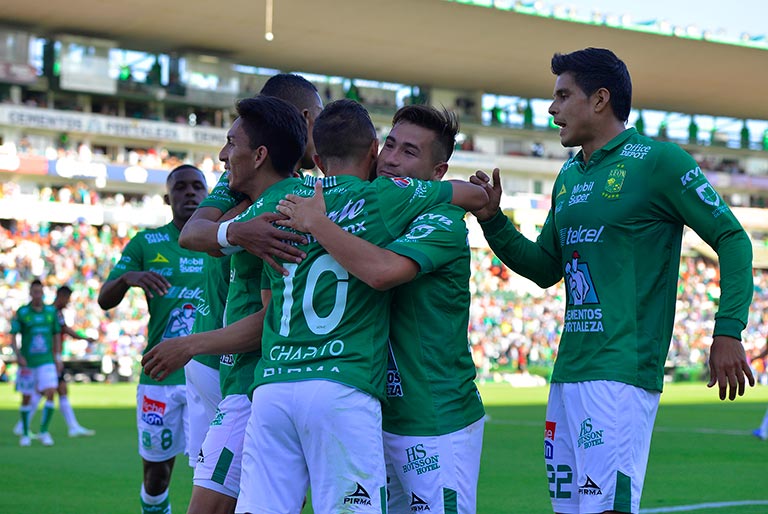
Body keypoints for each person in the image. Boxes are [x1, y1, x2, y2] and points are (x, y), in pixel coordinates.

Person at [470, 47, 754, 514]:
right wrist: (493, 220)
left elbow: (732, 238)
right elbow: (544, 268)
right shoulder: (567, 176)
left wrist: (727, 329)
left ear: (600, 99)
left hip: (620, 373)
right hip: (568, 374)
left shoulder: (659, 161)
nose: (551, 108)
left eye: (563, 96)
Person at [235, 99, 487, 514]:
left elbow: (383, 271)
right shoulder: (371, 203)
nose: (392, 159)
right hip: (371, 408)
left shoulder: (440, 219)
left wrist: (316, 222)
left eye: (410, 151)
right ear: (374, 148)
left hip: (433, 419)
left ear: (438, 171)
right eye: (390, 145)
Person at [143, 94, 309, 514]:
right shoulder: (257, 199)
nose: (222, 155)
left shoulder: (280, 210)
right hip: (239, 382)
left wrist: (190, 344)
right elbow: (195, 233)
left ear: (259, 155)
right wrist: (235, 231)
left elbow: (277, 319)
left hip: (255, 385)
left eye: (231, 143)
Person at [98, 164, 212, 514]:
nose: (190, 193)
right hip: (159, 377)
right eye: (181, 187)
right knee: (156, 477)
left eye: (197, 186)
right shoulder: (146, 243)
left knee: (208, 476)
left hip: (206, 378)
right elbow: (104, 299)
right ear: (168, 197)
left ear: (208, 194)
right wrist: (128, 277)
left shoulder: (220, 242)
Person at [13, 285, 96, 438]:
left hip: (49, 360)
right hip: (47, 360)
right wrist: (84, 339)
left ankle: (71, 426)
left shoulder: (52, 311)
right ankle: (68, 427)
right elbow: (64, 331)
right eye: (68, 299)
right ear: (62, 296)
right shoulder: (52, 313)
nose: (68, 302)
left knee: (55, 390)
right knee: (48, 391)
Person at [10, 278, 62, 447]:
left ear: (43, 293)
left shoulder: (50, 312)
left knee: (50, 391)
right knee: (26, 397)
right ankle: (25, 433)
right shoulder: (23, 312)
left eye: (40, 291)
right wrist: (18, 354)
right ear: (30, 293)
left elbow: (56, 335)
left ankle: (44, 431)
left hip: (46, 360)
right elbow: (13, 335)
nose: (37, 295)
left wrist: (58, 357)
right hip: (28, 362)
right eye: (34, 292)